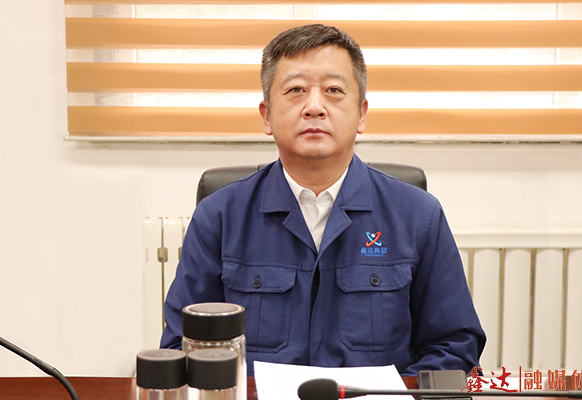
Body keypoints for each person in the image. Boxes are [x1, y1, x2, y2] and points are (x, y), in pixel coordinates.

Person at [160, 23, 485, 376]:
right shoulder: (218, 218)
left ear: (361, 114)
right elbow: (183, 346)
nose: (314, 107)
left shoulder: (418, 216)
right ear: (267, 115)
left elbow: (455, 349)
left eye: (333, 90)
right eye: (296, 90)